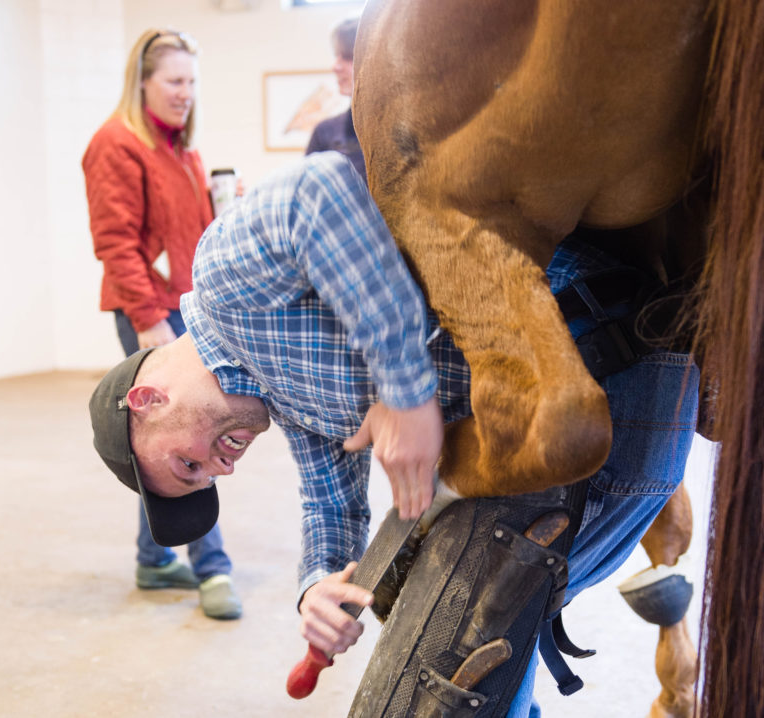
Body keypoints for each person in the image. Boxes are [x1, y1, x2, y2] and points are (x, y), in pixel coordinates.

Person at [87, 152, 698, 715]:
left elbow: (315, 190)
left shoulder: (223, 281)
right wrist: (316, 586)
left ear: (147, 400)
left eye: (188, 466)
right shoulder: (279, 397)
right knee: (477, 645)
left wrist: (403, 391)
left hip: (605, 354)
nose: (221, 471)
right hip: (571, 416)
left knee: (470, 641)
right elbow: (329, 501)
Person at [82, 28, 241, 621]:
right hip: (147, 310)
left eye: (192, 83)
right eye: (175, 81)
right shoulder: (116, 144)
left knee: (157, 444)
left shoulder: (184, 151)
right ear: (143, 82)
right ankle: (213, 568)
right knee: (189, 437)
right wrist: (149, 322)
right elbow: (116, 242)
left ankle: (154, 560)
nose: (185, 93)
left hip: (186, 307)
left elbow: (197, 235)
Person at [305, 18, 366, 182]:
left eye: (347, 56)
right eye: (336, 56)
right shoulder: (324, 132)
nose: (335, 66)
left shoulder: (407, 131)